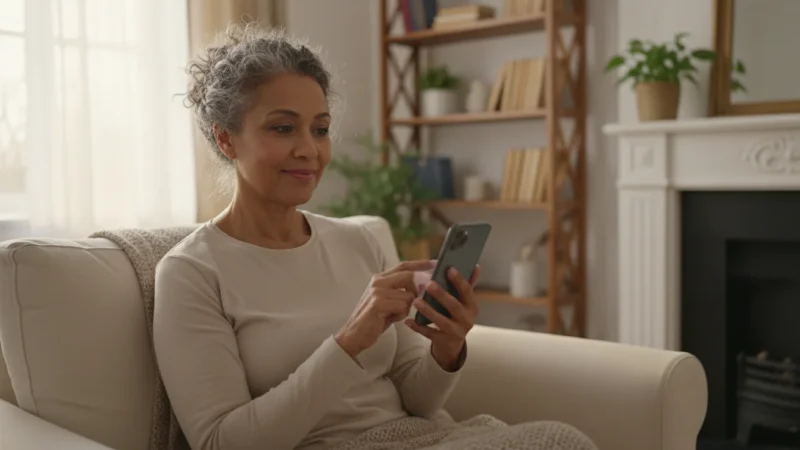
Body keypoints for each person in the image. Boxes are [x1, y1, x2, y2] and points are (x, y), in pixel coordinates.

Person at [153, 23, 597, 450]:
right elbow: (220, 443)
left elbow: (417, 401)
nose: (309, 149)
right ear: (226, 139)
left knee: (562, 439)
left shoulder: (358, 240)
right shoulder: (191, 272)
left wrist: (446, 349)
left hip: (423, 437)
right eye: (283, 128)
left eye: (320, 129)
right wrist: (349, 342)